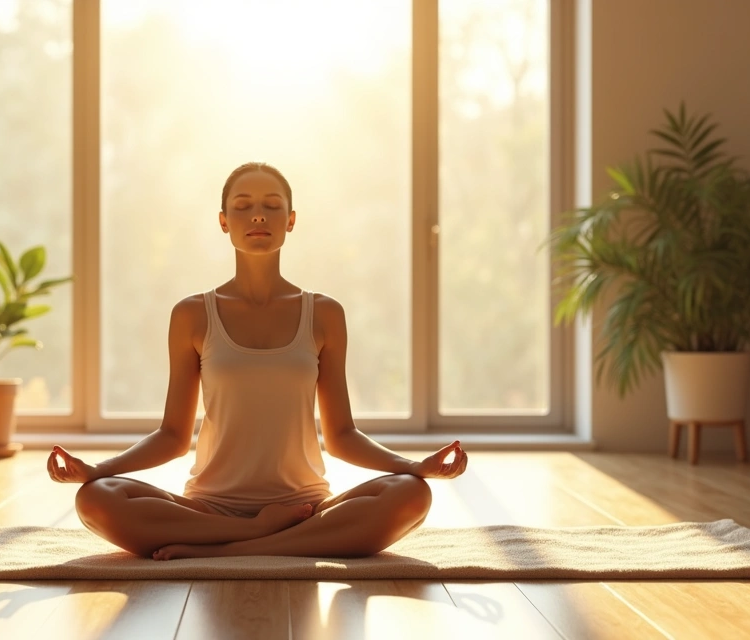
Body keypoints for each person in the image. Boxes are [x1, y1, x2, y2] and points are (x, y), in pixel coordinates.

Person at [47, 162, 469, 561]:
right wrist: (97, 469)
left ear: (291, 220)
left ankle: (235, 551)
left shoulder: (324, 314)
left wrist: (414, 466)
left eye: (272, 206)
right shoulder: (192, 314)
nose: (259, 217)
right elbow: (174, 436)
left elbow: (341, 434)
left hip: (305, 507)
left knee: (412, 493)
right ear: (223, 221)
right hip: (209, 509)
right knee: (97, 498)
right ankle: (263, 537)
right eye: (243, 206)